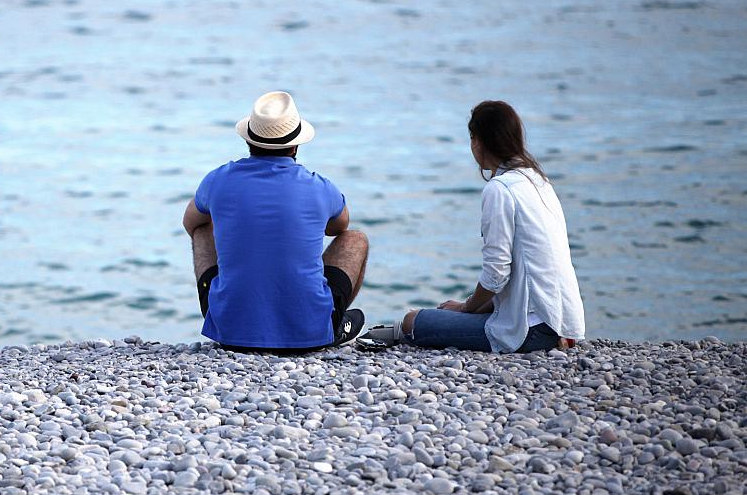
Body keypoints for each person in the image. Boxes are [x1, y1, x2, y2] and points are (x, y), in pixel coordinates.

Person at [358, 100, 584, 353]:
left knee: (412, 321)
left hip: (529, 331)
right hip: (561, 323)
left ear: (479, 141)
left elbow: (497, 274)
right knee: (450, 313)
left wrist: (466, 308)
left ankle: (396, 333)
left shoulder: (500, 189)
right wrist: (470, 307)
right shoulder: (539, 181)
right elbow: (523, 274)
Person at [182, 91, 368, 352]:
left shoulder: (218, 180)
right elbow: (340, 228)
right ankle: (331, 324)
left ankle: (232, 311)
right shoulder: (320, 187)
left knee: (203, 227)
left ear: (249, 140)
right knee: (355, 239)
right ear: (295, 145)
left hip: (230, 333)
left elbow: (191, 223)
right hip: (309, 336)